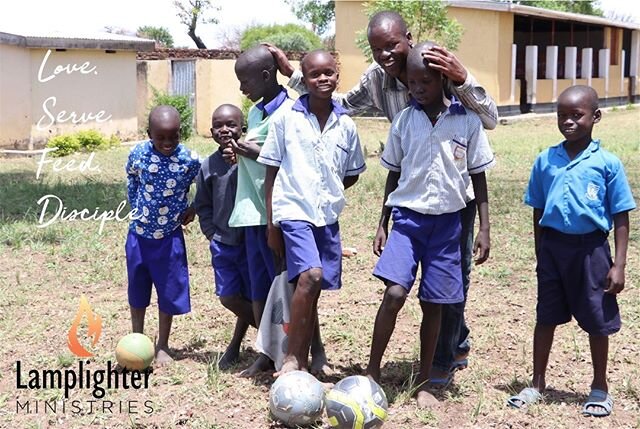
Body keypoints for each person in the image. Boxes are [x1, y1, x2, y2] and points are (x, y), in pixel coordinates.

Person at [267, 10, 498, 382]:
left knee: (453, 282)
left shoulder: (441, 67)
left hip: (452, 195)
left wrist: (464, 78)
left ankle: (445, 357)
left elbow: (488, 119)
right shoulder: (378, 80)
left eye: (391, 45)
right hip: (411, 197)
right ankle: (441, 349)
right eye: (376, 49)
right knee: (401, 288)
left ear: (407, 37)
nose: (385, 55)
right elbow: (336, 101)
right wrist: (294, 75)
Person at [367, 42, 494, 408]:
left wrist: (484, 227)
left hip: (448, 225)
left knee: (434, 303)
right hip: (407, 220)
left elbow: (479, 175)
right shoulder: (405, 120)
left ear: (443, 79)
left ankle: (425, 381)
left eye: (425, 81)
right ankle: (372, 372)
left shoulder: (467, 120)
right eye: (411, 82)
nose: (418, 89)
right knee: (393, 294)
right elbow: (392, 173)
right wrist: (382, 222)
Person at [508, 85, 635, 417]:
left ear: (595, 117)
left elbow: (621, 214)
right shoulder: (545, 159)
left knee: (597, 319)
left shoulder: (607, 163)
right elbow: (537, 209)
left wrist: (618, 264)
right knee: (545, 315)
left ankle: (599, 386)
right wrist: (540, 252)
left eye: (576, 115)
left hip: (591, 251)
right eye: (562, 115)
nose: (568, 121)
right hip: (552, 249)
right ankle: (537, 383)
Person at [257, 50, 366, 375]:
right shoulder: (286, 118)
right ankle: (292, 358)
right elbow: (271, 172)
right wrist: (271, 222)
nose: (322, 79)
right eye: (314, 74)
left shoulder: (346, 124)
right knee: (310, 277)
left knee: (312, 286)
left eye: (328, 73)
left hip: (326, 217)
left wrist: (327, 189)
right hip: (293, 211)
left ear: (337, 75)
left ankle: (314, 356)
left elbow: (352, 172)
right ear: (302, 78)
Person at [228, 45, 331, 376]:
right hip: (252, 212)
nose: (242, 89)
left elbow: (291, 160)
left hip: (280, 212)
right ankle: (267, 352)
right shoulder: (257, 112)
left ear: (265, 75)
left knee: (295, 285)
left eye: (245, 81)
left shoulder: (292, 110)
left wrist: (251, 150)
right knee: (262, 286)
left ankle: (313, 351)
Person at [125, 105, 201, 365]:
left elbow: (206, 181)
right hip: (139, 236)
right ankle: (138, 339)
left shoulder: (189, 159)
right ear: (149, 134)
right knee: (138, 289)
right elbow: (131, 177)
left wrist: (194, 207)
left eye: (174, 136)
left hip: (169, 237)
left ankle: (163, 345)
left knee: (168, 290)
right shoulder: (138, 154)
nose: (168, 142)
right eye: (161, 137)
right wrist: (135, 206)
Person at [195, 104, 255, 370]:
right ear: (211, 132)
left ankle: (236, 345)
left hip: (252, 240)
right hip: (223, 243)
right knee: (229, 297)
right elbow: (203, 204)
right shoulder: (208, 166)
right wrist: (210, 233)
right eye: (218, 125)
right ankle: (272, 333)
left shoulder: (252, 160)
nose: (225, 130)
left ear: (243, 129)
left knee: (252, 295)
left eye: (231, 124)